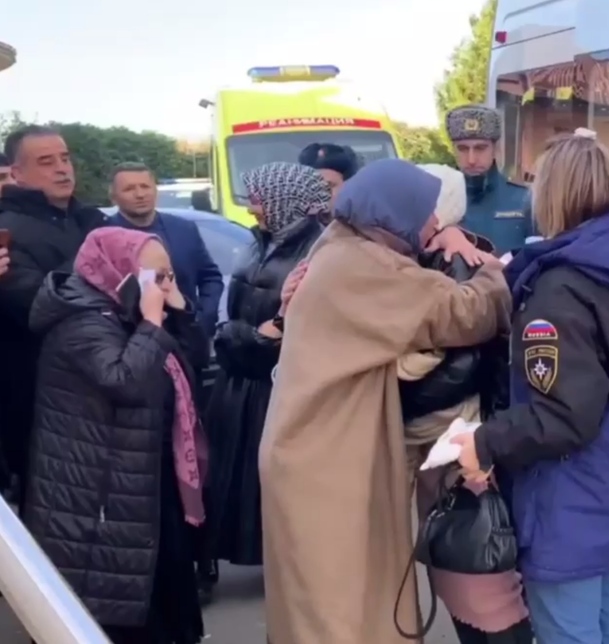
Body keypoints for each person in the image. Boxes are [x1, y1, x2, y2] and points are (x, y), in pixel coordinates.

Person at [259, 158, 511, 644]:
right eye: (426, 211)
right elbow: (468, 312)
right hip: (325, 464)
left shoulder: (339, 246)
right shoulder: (365, 267)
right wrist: (488, 268)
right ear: (393, 213)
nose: (434, 221)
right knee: (341, 605)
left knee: (327, 596)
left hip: (309, 452)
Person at [452, 131, 609, 644]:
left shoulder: (559, 290)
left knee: (569, 631)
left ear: (551, 195)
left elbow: (562, 415)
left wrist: (483, 442)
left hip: (569, 504)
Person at [23, 227, 210, 644]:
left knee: (163, 598)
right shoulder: (82, 322)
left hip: (142, 476)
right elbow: (126, 382)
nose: (162, 285)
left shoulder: (125, 310)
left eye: (168, 275)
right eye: (153, 276)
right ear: (118, 271)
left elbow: (195, 358)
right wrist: (153, 322)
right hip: (101, 494)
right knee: (123, 609)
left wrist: (179, 311)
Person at [401, 162, 532, 644]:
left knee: (474, 560)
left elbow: (464, 366)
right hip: (447, 436)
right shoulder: (436, 257)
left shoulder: (458, 264)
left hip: (458, 437)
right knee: (458, 557)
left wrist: (396, 382)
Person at [202, 162, 330, 602]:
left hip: (276, 383)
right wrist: (248, 336)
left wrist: (258, 335)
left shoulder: (318, 250)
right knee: (228, 478)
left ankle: (292, 568)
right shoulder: (259, 242)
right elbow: (237, 313)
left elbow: (303, 325)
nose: (251, 206)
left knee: (276, 484)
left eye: (258, 197)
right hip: (241, 379)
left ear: (284, 199)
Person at [0, 124, 108, 502]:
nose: (62, 169)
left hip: (104, 385)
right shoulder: (7, 230)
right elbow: (37, 304)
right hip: (40, 396)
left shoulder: (91, 219)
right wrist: (97, 259)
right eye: (46, 162)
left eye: (65, 158)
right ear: (17, 173)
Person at [109, 162, 224, 337]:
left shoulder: (183, 229)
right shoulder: (103, 236)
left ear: (155, 190)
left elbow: (210, 277)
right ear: (113, 196)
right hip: (129, 341)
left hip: (186, 338)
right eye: (129, 189)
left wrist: (204, 318)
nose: (140, 194)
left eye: (145, 186)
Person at [446, 104, 534, 255]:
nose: (471, 159)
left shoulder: (525, 200)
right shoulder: (439, 201)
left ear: (496, 149)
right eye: (463, 149)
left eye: (480, 148)